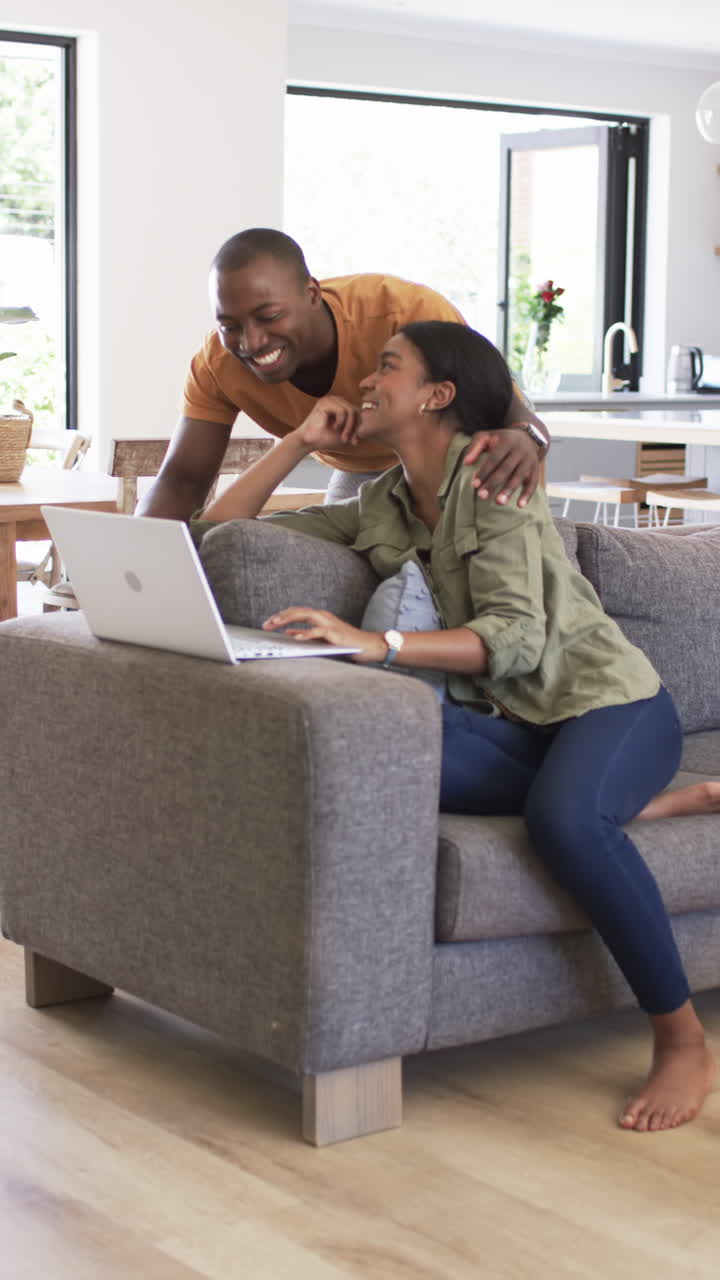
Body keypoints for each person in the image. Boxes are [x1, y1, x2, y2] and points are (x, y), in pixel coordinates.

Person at [197, 320, 716, 1134]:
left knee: (563, 820)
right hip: (521, 729)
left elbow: (514, 637)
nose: (367, 382)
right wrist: (297, 441)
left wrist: (381, 645)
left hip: (608, 703)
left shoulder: (495, 481)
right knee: (373, 766)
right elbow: (216, 534)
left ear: (437, 395)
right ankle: (637, 808)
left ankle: (681, 1038)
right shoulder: (380, 503)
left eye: (388, 369)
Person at [136, 228, 550, 520]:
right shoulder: (217, 364)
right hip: (358, 473)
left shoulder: (406, 313)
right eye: (230, 325)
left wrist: (527, 437)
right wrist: (138, 560)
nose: (252, 341)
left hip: (445, 463)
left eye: (269, 317)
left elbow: (512, 412)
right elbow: (183, 482)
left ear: (311, 294)